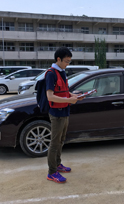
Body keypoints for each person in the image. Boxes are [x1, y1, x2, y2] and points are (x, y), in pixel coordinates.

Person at [46, 47, 83, 183]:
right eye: (66, 61)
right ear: (58, 59)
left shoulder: (62, 72)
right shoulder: (51, 74)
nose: (68, 64)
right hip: (57, 113)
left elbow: (64, 92)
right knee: (55, 143)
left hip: (65, 111)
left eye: (69, 61)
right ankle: (52, 172)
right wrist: (69, 100)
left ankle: (58, 164)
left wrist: (75, 96)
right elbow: (50, 96)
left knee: (61, 141)